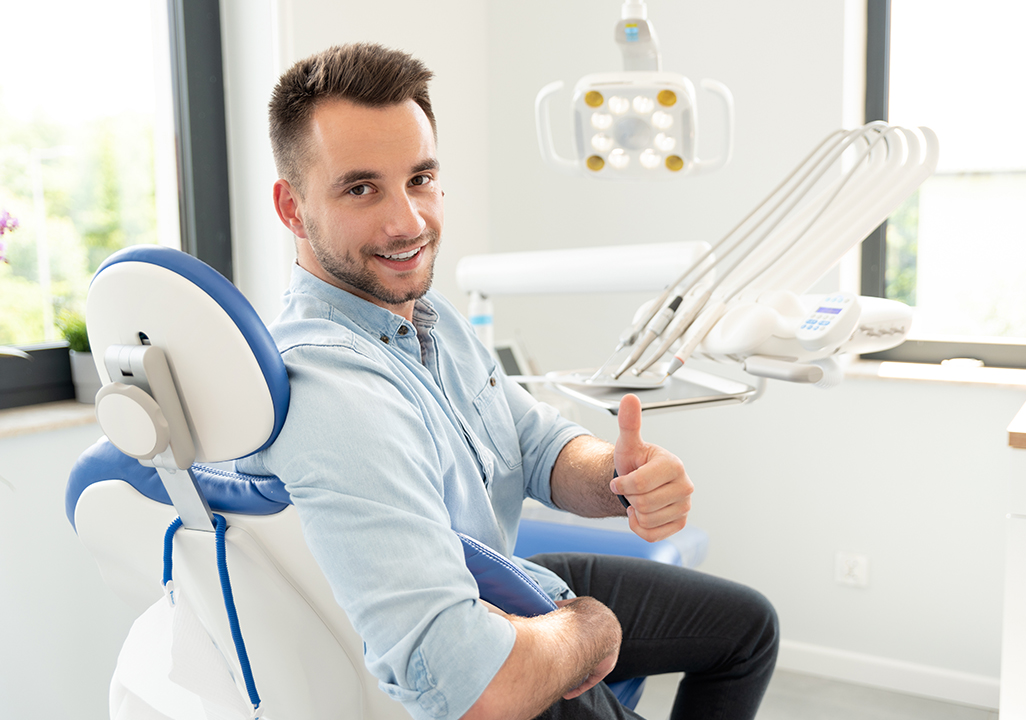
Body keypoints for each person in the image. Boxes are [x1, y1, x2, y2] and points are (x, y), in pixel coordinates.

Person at [238, 42, 778, 720]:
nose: (408, 222)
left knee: (748, 629)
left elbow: (534, 442)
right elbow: (472, 689)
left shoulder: (433, 321)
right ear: (292, 208)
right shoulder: (333, 388)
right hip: (493, 640)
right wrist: (589, 630)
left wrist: (618, 475)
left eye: (420, 178)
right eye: (361, 188)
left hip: (512, 578)